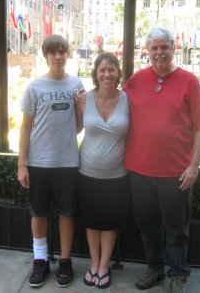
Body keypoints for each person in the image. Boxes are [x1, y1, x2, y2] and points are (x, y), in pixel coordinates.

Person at [122, 27, 200, 293]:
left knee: (176, 227)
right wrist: (84, 101)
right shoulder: (136, 79)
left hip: (176, 172)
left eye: (165, 47)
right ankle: (155, 268)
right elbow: (112, 103)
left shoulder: (189, 81)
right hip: (139, 169)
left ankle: (179, 273)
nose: (159, 52)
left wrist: (194, 165)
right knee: (147, 224)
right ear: (147, 51)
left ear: (174, 49)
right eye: (154, 48)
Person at [17, 34, 84, 288]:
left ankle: (65, 261)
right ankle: (40, 259)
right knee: (39, 213)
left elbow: (78, 127)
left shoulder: (76, 85)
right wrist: (22, 164)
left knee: (67, 213)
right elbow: (25, 127)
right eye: (52, 53)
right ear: (46, 57)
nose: (58, 57)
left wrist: (79, 111)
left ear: (67, 55)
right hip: (38, 162)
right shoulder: (35, 87)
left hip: (68, 161)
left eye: (62, 52)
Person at [75, 52, 131, 289]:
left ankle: (104, 266)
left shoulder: (128, 99)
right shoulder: (84, 99)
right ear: (96, 74)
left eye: (111, 70)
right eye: (102, 70)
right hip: (86, 171)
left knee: (109, 222)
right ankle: (94, 263)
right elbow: (75, 127)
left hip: (117, 175)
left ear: (118, 73)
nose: (107, 74)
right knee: (91, 221)